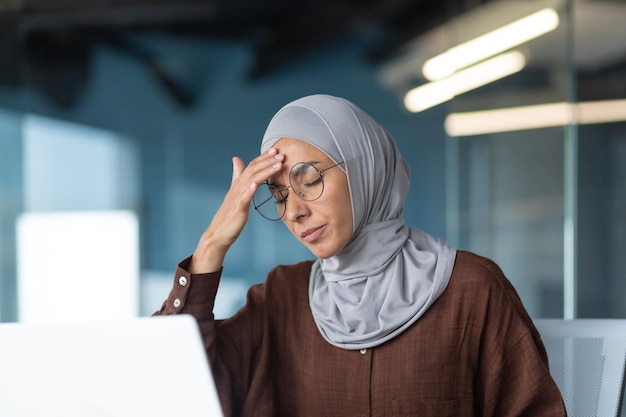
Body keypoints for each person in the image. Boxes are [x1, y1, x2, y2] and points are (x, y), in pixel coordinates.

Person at [155, 94, 567, 416]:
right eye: (278, 195)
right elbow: (169, 385)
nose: (294, 210)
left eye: (309, 179)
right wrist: (211, 245)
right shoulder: (282, 298)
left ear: (364, 168)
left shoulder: (470, 290)